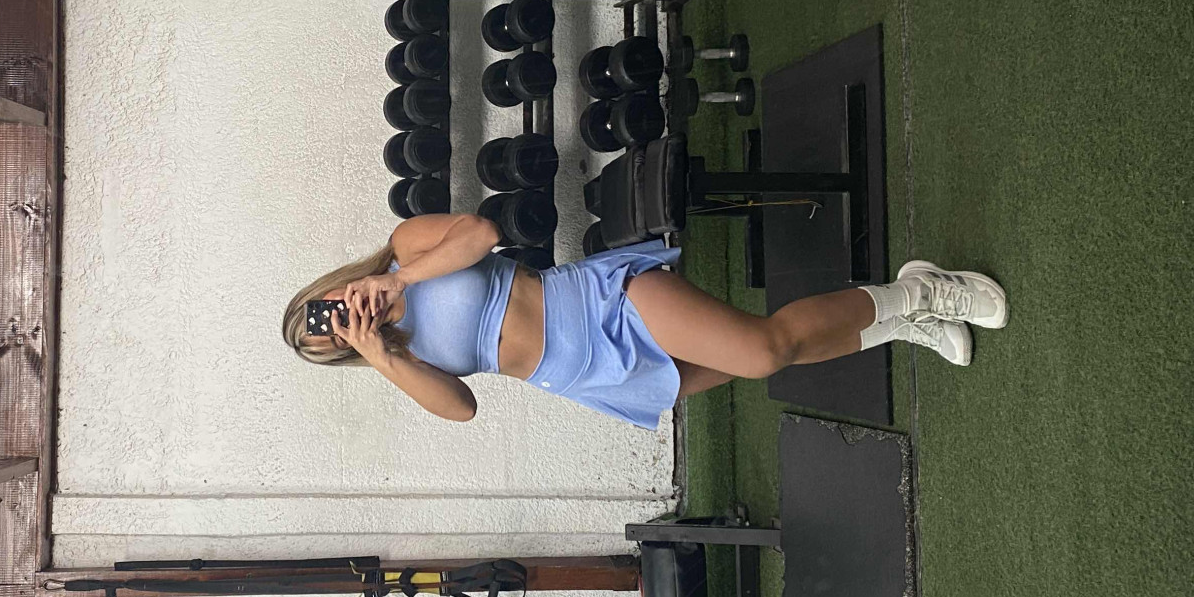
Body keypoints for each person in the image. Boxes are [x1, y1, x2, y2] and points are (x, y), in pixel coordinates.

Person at [281, 212, 1007, 426]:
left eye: (326, 310)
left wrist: (398, 278)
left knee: (762, 350)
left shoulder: (405, 247)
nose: (339, 321)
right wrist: (383, 356)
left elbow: (481, 233)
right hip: (583, 373)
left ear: (332, 287)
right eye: (331, 336)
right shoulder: (398, 358)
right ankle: (897, 320)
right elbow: (462, 409)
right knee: (755, 364)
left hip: (596, 302)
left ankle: (920, 293)